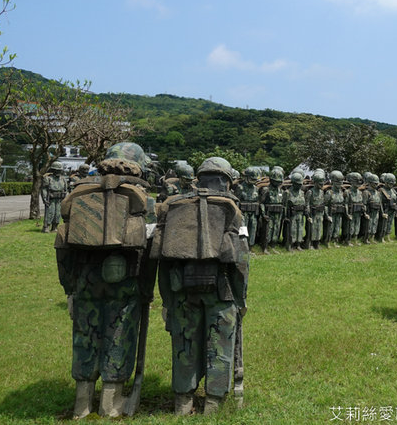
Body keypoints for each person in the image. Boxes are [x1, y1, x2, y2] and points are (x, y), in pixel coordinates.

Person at [55, 142, 156, 418]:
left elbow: (62, 244)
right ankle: (111, 403)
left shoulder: (80, 193)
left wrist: (70, 287)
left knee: (85, 336)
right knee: (120, 335)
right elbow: (150, 251)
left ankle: (82, 404)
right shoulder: (144, 200)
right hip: (126, 280)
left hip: (85, 278)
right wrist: (147, 290)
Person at [155, 157, 249, 415]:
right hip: (223, 290)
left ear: (199, 178)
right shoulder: (232, 209)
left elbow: (162, 260)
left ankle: (182, 403)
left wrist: (166, 300)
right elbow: (241, 262)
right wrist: (241, 299)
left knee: (184, 345)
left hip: (181, 290)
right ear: (228, 181)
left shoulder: (174, 206)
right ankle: (213, 405)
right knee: (219, 346)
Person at [259, 168, 285, 254]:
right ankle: (265, 247)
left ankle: (273, 246)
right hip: (268, 213)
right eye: (276, 181)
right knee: (267, 231)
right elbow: (261, 203)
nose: (278, 183)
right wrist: (263, 214)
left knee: (276, 230)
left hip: (278, 214)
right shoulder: (266, 190)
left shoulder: (281, 191)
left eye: (279, 182)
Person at [42, 161, 69, 233]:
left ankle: (55, 227)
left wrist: (65, 198)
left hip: (59, 199)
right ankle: (46, 226)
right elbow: (44, 189)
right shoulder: (48, 178)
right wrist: (44, 198)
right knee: (50, 212)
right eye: (57, 170)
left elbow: (66, 189)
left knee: (58, 213)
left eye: (60, 170)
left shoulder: (63, 179)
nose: (58, 172)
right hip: (51, 198)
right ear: (53, 170)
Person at [283, 171, 307, 252]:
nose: (300, 186)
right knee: (291, 230)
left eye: (301, 184)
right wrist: (285, 216)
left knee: (300, 229)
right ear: (293, 183)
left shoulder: (302, 193)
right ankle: (290, 245)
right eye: (298, 184)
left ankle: (298, 244)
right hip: (291, 215)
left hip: (300, 214)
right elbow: (285, 206)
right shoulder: (288, 192)